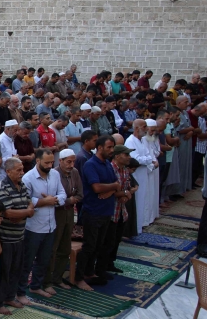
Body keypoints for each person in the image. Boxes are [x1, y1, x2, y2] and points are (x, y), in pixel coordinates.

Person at [21, 148, 66, 298]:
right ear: (38, 161)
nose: (49, 165)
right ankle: (20, 291)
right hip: (33, 227)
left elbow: (62, 194)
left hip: (50, 225)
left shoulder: (55, 174)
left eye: (51, 162)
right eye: (46, 162)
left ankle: (36, 286)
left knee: (44, 259)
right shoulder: (28, 178)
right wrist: (43, 201)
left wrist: (54, 200)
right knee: (27, 261)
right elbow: (25, 201)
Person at [0, 157, 33, 312]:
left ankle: (10, 297)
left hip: (19, 235)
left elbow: (31, 207)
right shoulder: (2, 187)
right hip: (5, 237)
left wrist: (21, 214)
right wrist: (24, 213)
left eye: (22, 169)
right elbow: (7, 212)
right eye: (19, 170)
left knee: (16, 269)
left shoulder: (21, 185)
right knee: (4, 271)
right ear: (8, 171)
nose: (22, 173)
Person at [77, 136, 119, 287]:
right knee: (89, 246)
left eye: (112, 147)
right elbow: (96, 188)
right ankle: (78, 277)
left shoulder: (107, 164)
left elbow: (117, 184)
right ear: (100, 147)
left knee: (99, 245)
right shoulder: (90, 165)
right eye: (109, 147)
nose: (112, 150)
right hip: (93, 211)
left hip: (106, 210)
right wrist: (112, 187)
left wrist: (110, 189)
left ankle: (89, 272)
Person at [47, 149, 84, 290]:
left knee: (65, 247)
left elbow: (80, 194)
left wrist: (67, 200)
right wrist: (69, 200)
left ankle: (58, 278)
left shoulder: (74, 172)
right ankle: (47, 280)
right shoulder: (54, 174)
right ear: (60, 161)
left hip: (69, 214)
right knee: (53, 247)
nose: (71, 164)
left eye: (73, 161)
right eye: (68, 161)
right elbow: (54, 199)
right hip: (57, 214)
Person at [124, 119, 156, 234]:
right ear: (137, 128)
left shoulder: (142, 140)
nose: (146, 129)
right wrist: (147, 160)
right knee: (137, 200)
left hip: (144, 174)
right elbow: (134, 159)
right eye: (144, 127)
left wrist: (147, 160)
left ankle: (141, 224)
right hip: (136, 174)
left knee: (143, 198)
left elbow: (148, 156)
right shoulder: (130, 141)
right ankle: (134, 227)